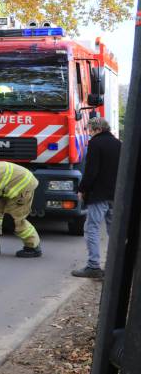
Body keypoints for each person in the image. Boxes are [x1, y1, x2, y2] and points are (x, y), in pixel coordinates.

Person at [72, 116, 121, 278]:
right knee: (113, 230)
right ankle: (115, 267)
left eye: (91, 130)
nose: (90, 134)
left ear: (98, 129)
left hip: (99, 194)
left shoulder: (95, 143)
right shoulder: (118, 144)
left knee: (91, 228)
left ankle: (93, 266)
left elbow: (91, 171)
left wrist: (82, 189)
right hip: (115, 194)